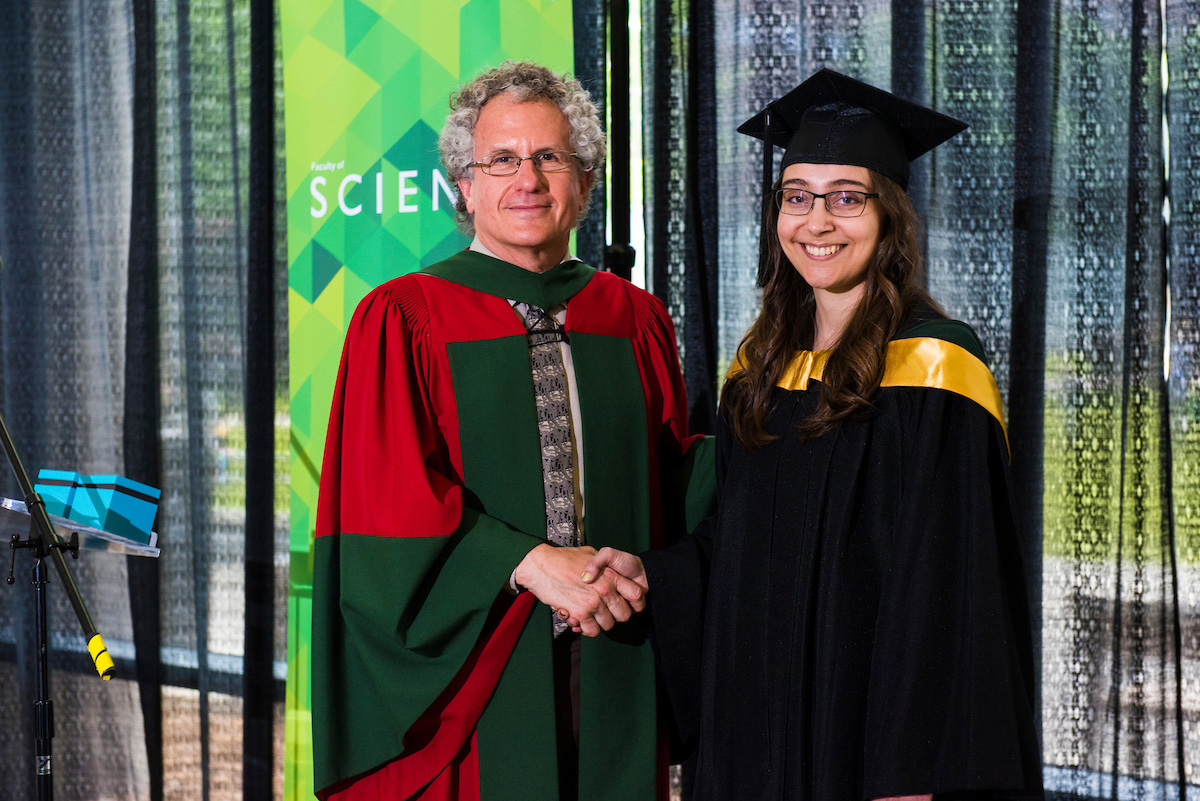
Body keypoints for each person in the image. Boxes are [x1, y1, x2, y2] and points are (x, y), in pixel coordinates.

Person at [577, 69, 1045, 800]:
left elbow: (951, 592)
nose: (817, 222)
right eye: (797, 198)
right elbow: (730, 547)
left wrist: (910, 773)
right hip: (755, 739)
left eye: (847, 199)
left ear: (889, 215)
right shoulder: (759, 371)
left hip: (870, 751)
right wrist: (653, 577)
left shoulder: (937, 371)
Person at [309, 61, 712, 801]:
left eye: (550, 157)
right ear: (465, 186)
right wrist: (529, 560)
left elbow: (669, 485)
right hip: (477, 669)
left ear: (585, 183)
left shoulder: (634, 318)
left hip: (615, 661)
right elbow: (387, 505)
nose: (527, 179)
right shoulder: (402, 317)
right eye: (502, 159)